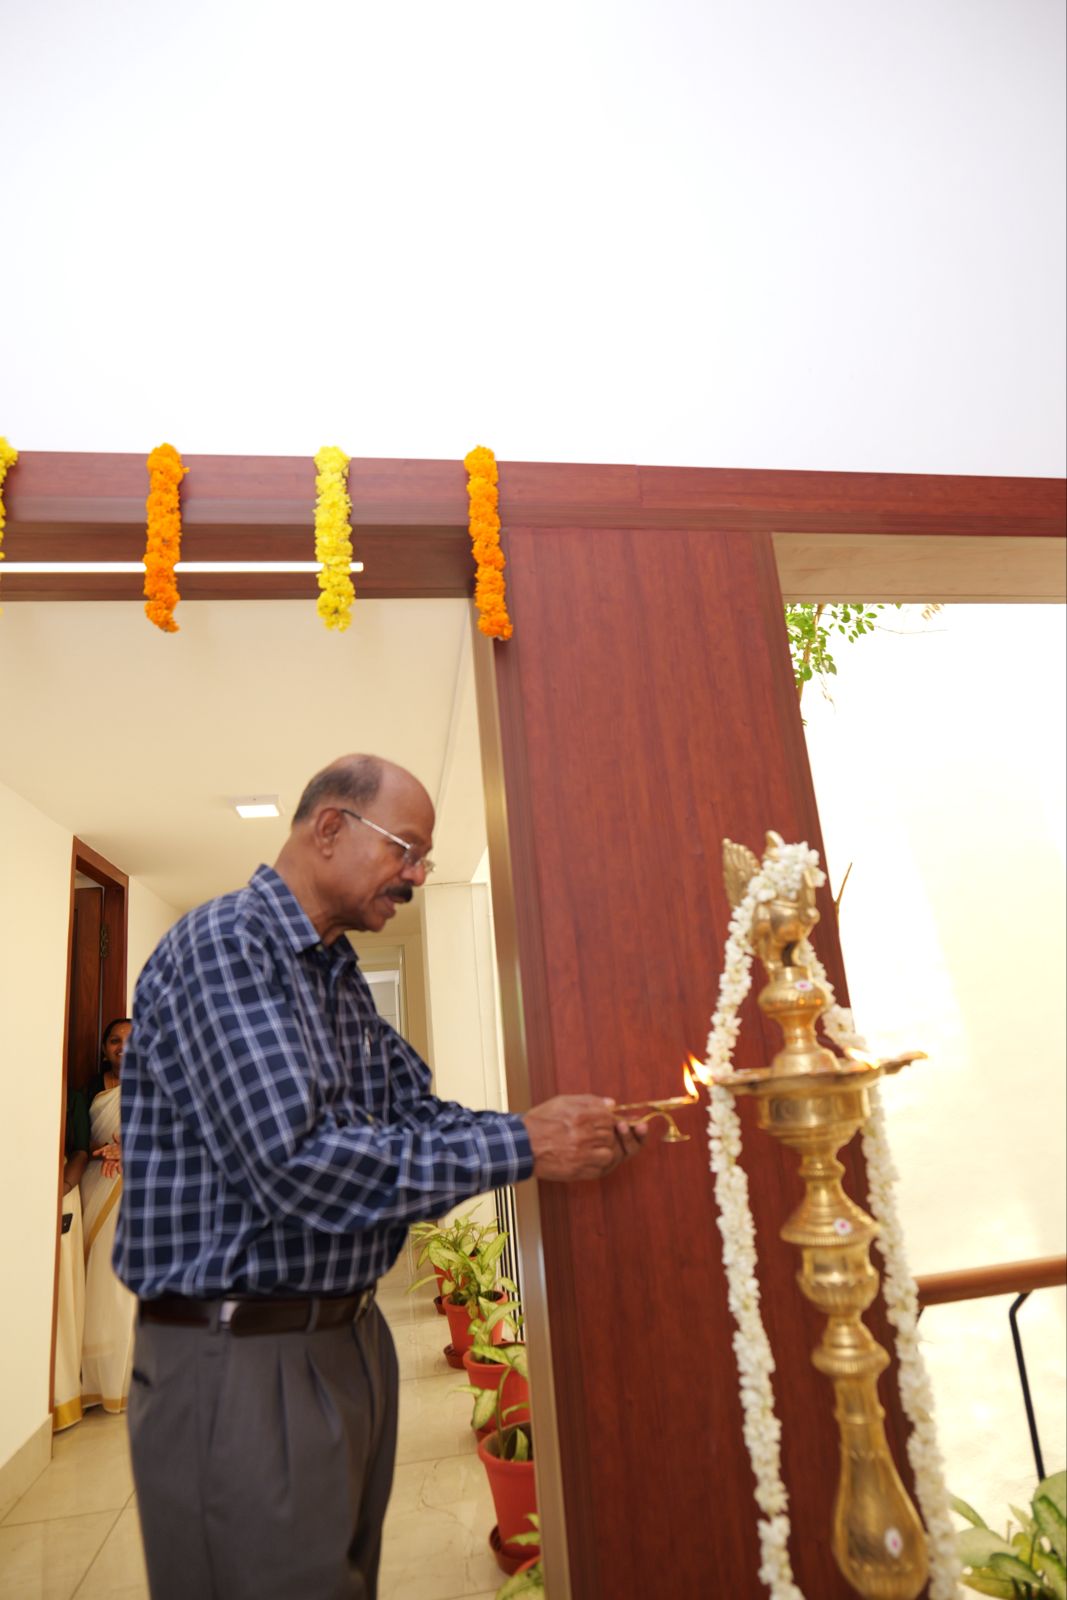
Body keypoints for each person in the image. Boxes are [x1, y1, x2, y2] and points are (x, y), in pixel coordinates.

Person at [115, 753, 648, 1600]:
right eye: (407, 848)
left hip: (344, 1342)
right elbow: (295, 1165)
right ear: (329, 826)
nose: (417, 874)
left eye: (425, 858)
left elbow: (417, 1118)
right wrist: (524, 1147)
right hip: (240, 1359)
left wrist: (543, 1131)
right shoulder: (226, 945)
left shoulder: (337, 980)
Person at [80, 1018, 137, 1412]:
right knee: (92, 1282)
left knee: (122, 1286)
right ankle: (92, 1374)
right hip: (93, 1185)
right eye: (115, 1040)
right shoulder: (89, 1090)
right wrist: (101, 1146)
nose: (122, 1047)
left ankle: (127, 1375)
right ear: (105, 1049)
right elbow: (74, 1133)